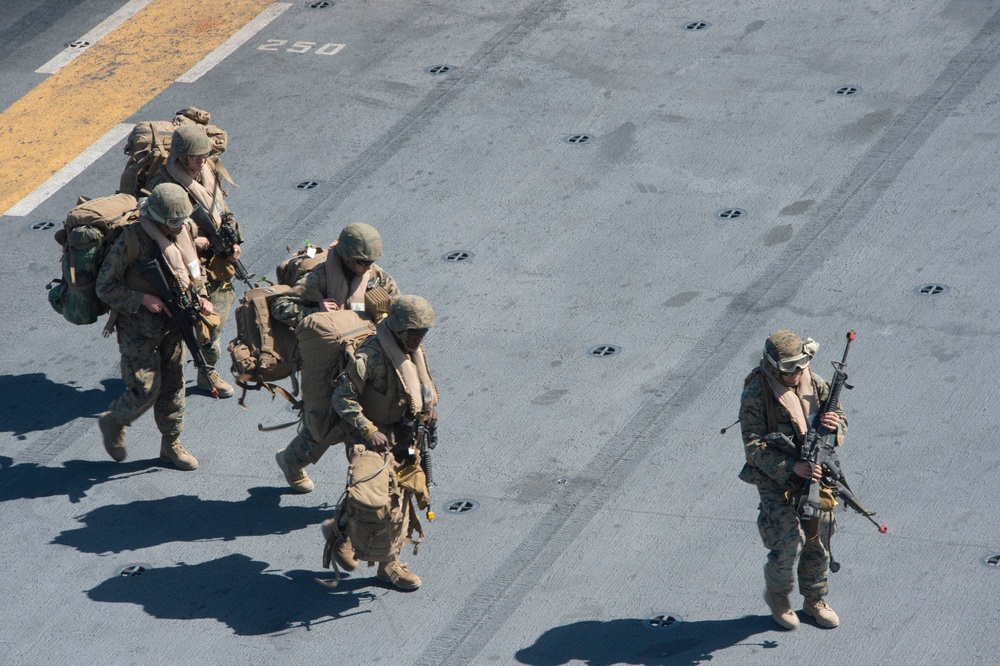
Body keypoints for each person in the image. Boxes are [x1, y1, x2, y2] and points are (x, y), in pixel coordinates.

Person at [323, 295, 439, 590]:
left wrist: (429, 410)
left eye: (423, 332)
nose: (419, 337)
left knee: (400, 498)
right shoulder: (371, 357)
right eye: (415, 332)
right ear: (399, 329)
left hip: (406, 437)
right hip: (373, 440)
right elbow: (342, 398)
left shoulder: (412, 350)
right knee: (383, 500)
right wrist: (368, 429)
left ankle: (363, 546)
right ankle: (379, 559)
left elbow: (419, 386)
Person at [273, 222, 398, 493]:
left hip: (368, 362)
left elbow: (395, 310)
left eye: (370, 261)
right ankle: (290, 461)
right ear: (345, 256)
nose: (367, 267)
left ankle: (364, 491)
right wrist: (317, 311)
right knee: (321, 429)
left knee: (364, 429)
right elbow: (281, 306)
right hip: (327, 362)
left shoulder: (377, 278)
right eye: (361, 262)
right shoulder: (318, 277)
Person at [95, 183, 213, 470]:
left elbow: (192, 268)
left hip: (174, 325)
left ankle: (170, 445)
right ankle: (115, 421)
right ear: (158, 218)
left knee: (174, 386)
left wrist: (203, 296)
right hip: (139, 331)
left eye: (183, 220)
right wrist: (142, 298)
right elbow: (104, 287)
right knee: (146, 389)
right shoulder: (132, 241)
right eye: (174, 221)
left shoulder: (182, 232)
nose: (181, 226)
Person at [738, 330, 847, 630]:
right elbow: (754, 446)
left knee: (819, 535)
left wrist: (834, 425)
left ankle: (814, 599)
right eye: (788, 368)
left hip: (815, 472)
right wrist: (791, 467)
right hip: (777, 477)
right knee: (788, 541)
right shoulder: (757, 394)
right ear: (773, 366)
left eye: (801, 364)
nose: (796, 372)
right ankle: (778, 596)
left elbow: (839, 415)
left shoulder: (815, 383)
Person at [146, 123, 240, 398]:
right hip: (180, 266)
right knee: (188, 326)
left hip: (215, 263)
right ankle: (177, 377)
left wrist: (233, 239)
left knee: (214, 323)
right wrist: (194, 238)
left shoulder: (207, 173)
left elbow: (222, 209)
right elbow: (157, 230)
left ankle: (206, 372)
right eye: (196, 156)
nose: (202, 160)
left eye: (204, 154)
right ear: (180, 156)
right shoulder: (164, 186)